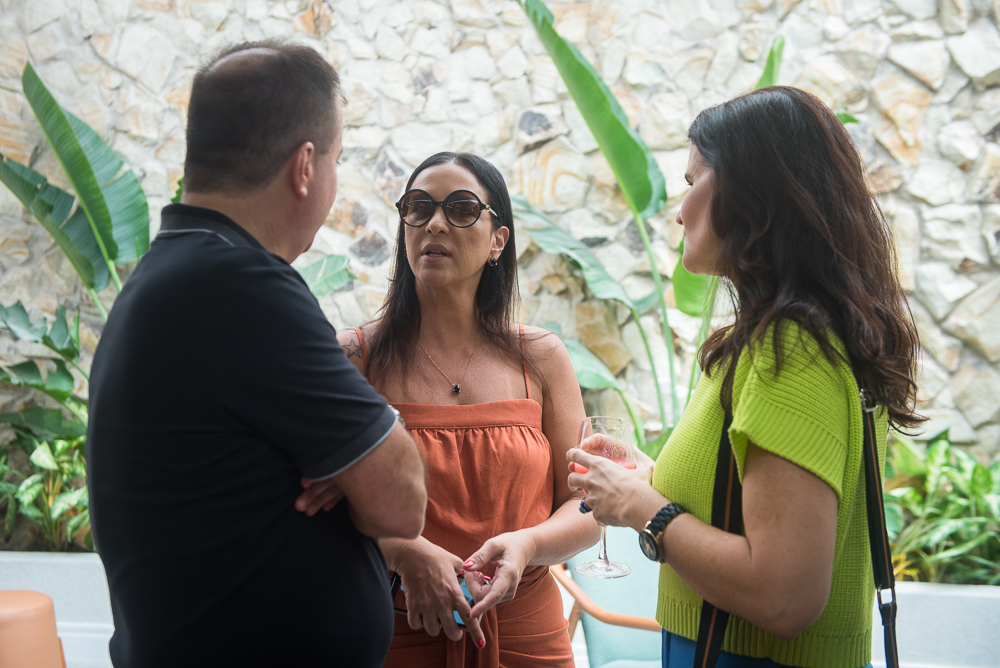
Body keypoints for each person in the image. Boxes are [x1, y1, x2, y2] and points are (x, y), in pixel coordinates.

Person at [86, 41, 427, 668]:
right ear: (304, 166)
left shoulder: (176, 272)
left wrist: (349, 467)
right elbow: (400, 499)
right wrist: (368, 455)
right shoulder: (242, 285)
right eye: (336, 159)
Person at [567, 86, 922, 668]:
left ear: (750, 192)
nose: (678, 210)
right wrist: (645, 477)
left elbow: (785, 597)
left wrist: (641, 509)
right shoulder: (786, 339)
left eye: (690, 183)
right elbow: (744, 505)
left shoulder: (791, 351)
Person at [336, 152, 600, 667]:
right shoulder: (354, 357)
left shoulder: (541, 356)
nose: (434, 222)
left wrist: (527, 544)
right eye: (418, 207)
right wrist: (403, 550)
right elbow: (318, 503)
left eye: (460, 208)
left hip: (528, 633)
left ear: (498, 239)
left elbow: (586, 507)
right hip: (395, 632)